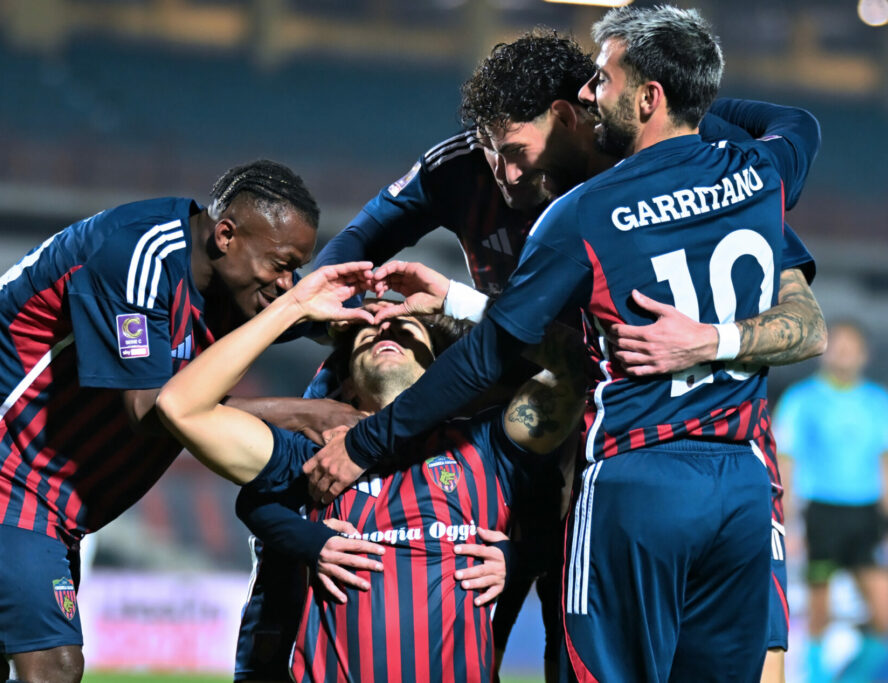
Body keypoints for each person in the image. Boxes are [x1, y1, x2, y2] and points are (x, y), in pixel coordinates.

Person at [250, 30, 825, 683]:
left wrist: (708, 339)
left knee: (713, 661)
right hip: (541, 445)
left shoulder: (613, 197)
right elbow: (342, 267)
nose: (507, 174)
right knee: (488, 641)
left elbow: (806, 323)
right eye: (493, 155)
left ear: (574, 116)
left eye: (516, 152)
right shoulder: (739, 170)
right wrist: (342, 317)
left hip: (624, 452)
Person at [0, 160, 359, 682]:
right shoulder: (135, 259)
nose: (287, 283)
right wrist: (306, 412)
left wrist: (372, 312)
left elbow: (313, 315)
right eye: (281, 265)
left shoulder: (230, 281)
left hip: (45, 492)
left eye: (297, 269)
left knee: (6, 668)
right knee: (53, 667)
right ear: (226, 235)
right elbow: (155, 410)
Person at [154, 261, 582, 683]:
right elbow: (180, 407)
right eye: (368, 330)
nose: (386, 330)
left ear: (440, 371)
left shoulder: (486, 446)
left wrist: (456, 300)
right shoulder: (312, 457)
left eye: (405, 327)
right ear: (348, 382)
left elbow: (579, 363)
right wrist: (293, 305)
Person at [775, 320, 888, 683]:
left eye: (851, 347)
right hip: (821, 513)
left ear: (864, 354)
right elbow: (785, 463)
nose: (844, 354)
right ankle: (818, 676)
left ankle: (856, 676)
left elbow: (884, 463)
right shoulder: (802, 399)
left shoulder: (878, 401)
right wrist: (788, 522)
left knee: (882, 612)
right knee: (819, 610)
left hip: (865, 515)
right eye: (838, 346)